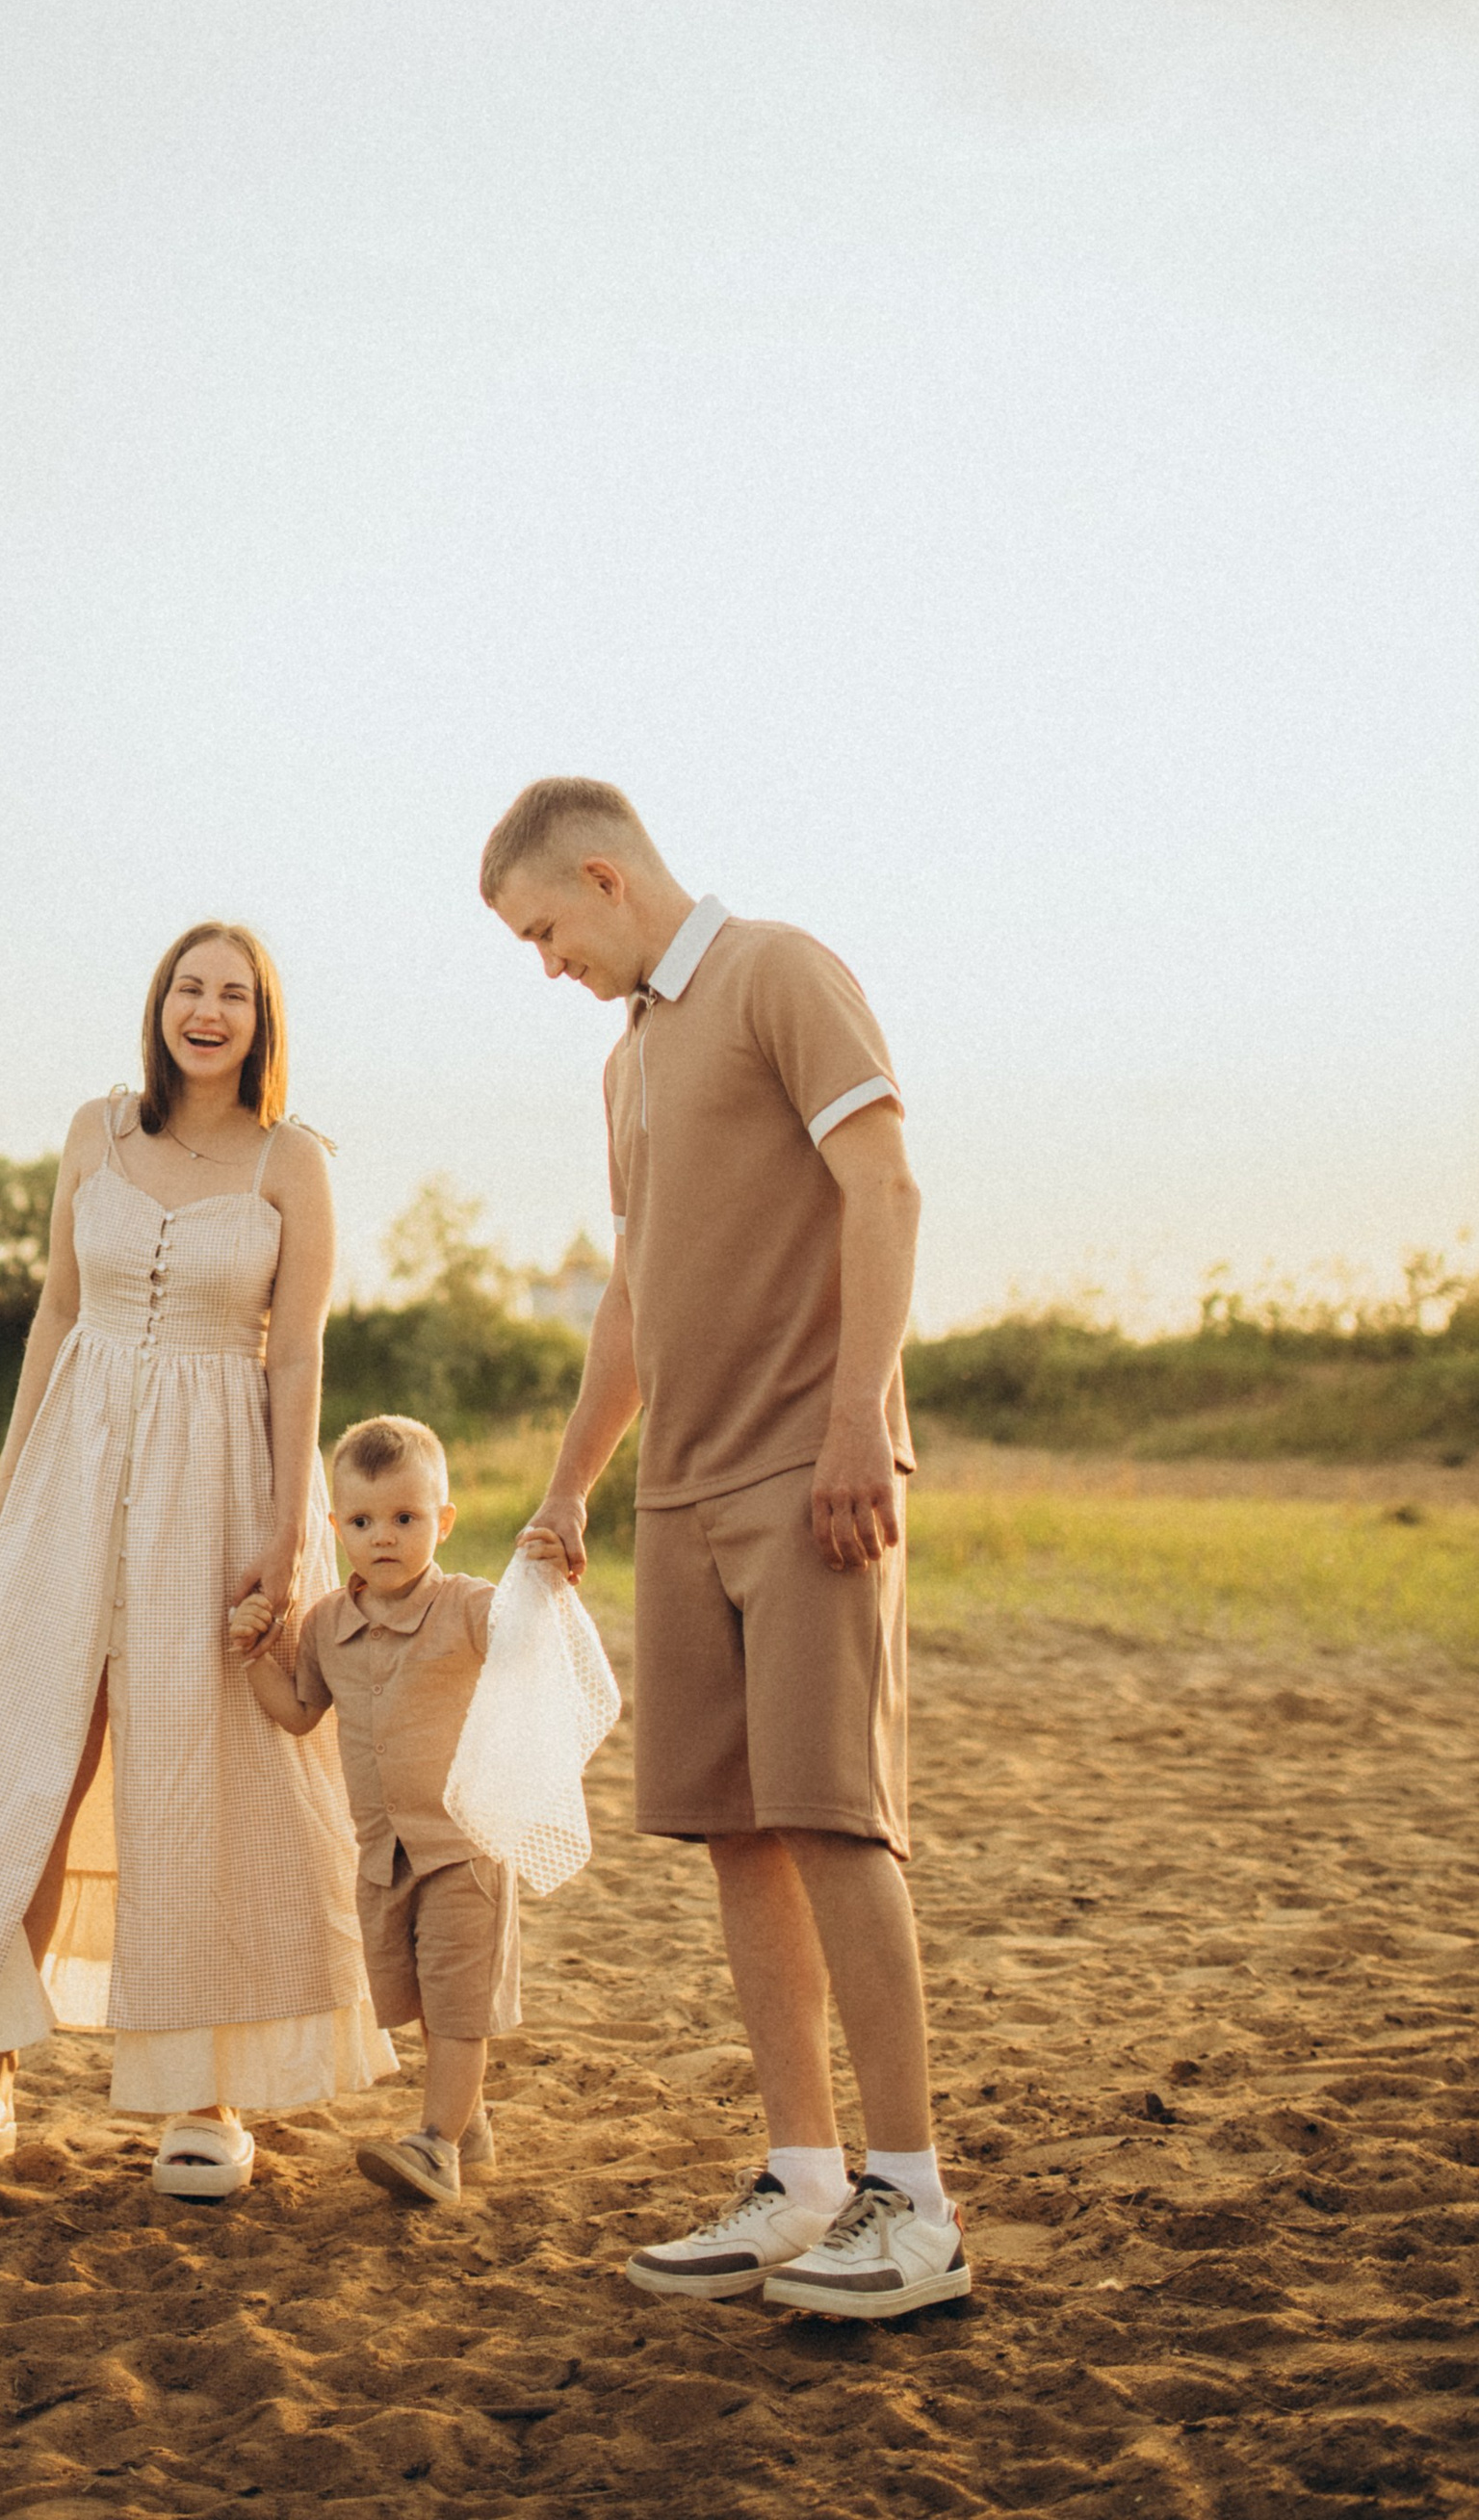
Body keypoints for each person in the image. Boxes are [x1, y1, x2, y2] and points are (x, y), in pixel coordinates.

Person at [481, 777, 972, 2322]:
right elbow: (632, 1288)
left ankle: (914, 2199)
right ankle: (806, 2177)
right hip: (682, 1496)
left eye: (546, 929)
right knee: (738, 1835)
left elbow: (884, 1185)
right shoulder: (625, 1064)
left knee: (835, 1821)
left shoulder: (780, 972)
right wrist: (573, 1486)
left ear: (609, 878)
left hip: (807, 1473)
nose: (546, 964)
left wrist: (851, 1426)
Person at [0, 920, 391, 2198]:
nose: (209, 1010)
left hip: (221, 1466)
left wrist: (290, 1526)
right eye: (191, 987)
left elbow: (295, 1355)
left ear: (261, 1019)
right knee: (39, 1751)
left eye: (235, 994)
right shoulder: (96, 1133)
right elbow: (57, 1309)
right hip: (79, 1452)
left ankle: (206, 2095)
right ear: (161, 1003)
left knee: (202, 1762)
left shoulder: (295, 1161)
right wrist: (13, 1482)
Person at [230, 1412, 518, 2205]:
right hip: (384, 1853)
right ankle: (470, 2120)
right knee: (420, 1996)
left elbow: (529, 1646)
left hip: (464, 1846)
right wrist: (249, 1651)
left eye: (405, 1519)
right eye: (361, 1521)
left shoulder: (469, 1606)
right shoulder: (326, 1624)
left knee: (460, 2004)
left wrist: (544, 1579)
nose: (383, 1537)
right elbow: (295, 1712)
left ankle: (435, 2146)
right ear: (335, 1527)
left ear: (442, 1521)